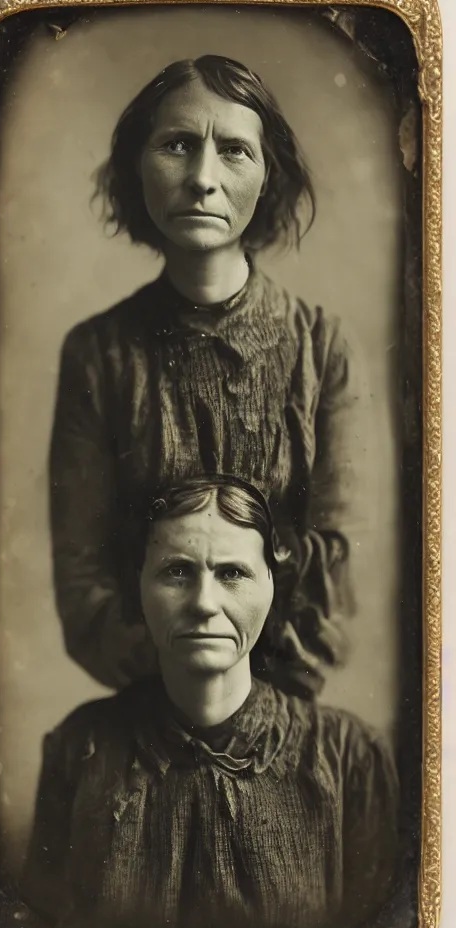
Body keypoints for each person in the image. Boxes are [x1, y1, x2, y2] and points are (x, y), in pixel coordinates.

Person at [50, 54, 370, 699]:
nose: (202, 178)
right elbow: (84, 582)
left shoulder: (322, 347)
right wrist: (175, 680)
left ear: (268, 176)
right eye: (177, 145)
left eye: (233, 151)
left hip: (286, 709)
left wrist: (247, 692)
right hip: (145, 712)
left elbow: (339, 565)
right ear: (138, 167)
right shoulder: (100, 353)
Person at [22, 477, 397, 928]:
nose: (204, 603)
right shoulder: (81, 748)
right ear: (139, 585)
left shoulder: (348, 757)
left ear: (271, 585)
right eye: (177, 571)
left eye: (232, 573)